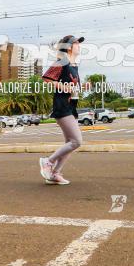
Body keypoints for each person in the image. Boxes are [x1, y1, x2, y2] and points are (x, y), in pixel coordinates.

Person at [38, 35, 85, 185]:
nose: (79, 45)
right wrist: (64, 87)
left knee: (69, 143)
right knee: (76, 142)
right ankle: (48, 162)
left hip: (71, 106)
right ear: (69, 47)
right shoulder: (62, 62)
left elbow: (73, 87)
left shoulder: (74, 66)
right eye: (77, 43)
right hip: (62, 106)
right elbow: (47, 78)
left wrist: (83, 87)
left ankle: (55, 174)